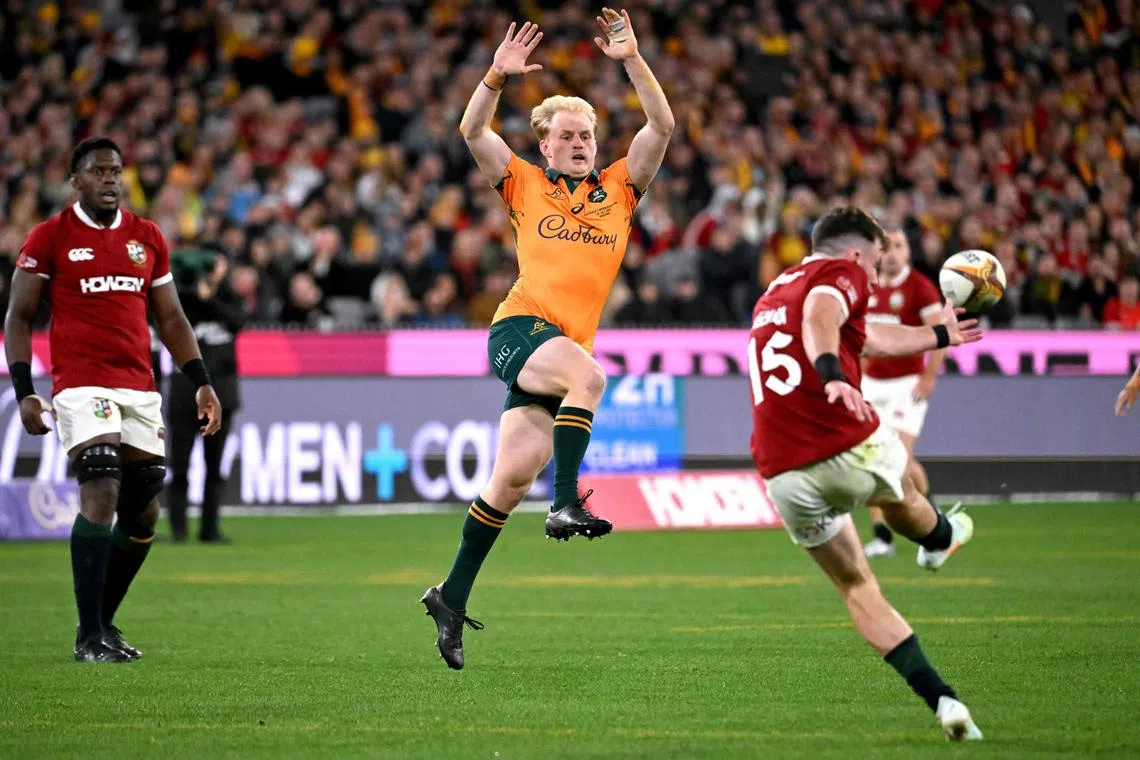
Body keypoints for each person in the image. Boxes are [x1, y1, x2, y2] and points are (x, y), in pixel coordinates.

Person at [421, 8, 674, 670]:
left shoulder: (620, 189)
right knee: (590, 376)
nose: (581, 143)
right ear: (546, 147)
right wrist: (495, 77)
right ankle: (565, 503)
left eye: (587, 134)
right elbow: (471, 130)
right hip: (520, 329)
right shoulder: (524, 184)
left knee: (507, 483)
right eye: (568, 135)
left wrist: (632, 60)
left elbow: (662, 127)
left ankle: (450, 596)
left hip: (554, 352)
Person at [747, 207, 984, 741]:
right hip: (843, 437)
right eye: (876, 262)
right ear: (857, 253)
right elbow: (822, 316)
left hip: (783, 472)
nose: (875, 276)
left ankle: (944, 701)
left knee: (856, 586)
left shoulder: (773, 294)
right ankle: (942, 537)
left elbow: (870, 339)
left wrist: (938, 335)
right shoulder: (841, 271)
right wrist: (832, 373)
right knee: (905, 498)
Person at [4, 137, 222, 663]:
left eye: (116, 171)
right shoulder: (50, 237)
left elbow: (170, 317)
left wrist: (201, 380)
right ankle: (88, 637)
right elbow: (19, 316)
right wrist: (26, 391)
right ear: (75, 181)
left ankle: (102, 623)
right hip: (81, 383)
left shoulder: (147, 237)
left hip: (138, 385)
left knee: (144, 508)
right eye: (98, 171)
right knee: (102, 480)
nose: (110, 179)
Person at [860, 226, 946, 558]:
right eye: (887, 247)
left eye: (898, 245)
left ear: (908, 251)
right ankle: (883, 536)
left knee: (899, 459)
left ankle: (935, 524)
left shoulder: (920, 287)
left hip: (906, 384)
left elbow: (940, 333)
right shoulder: (868, 285)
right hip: (872, 384)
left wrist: (929, 375)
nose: (893, 253)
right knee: (868, 458)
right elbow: (860, 338)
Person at [166, 249, 247, 543]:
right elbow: (167, 318)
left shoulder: (230, 298)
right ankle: (178, 530)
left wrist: (209, 296)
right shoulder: (181, 298)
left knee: (214, 467)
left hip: (221, 395)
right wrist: (194, 289)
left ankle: (210, 529)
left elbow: (238, 322)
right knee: (179, 467)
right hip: (184, 392)